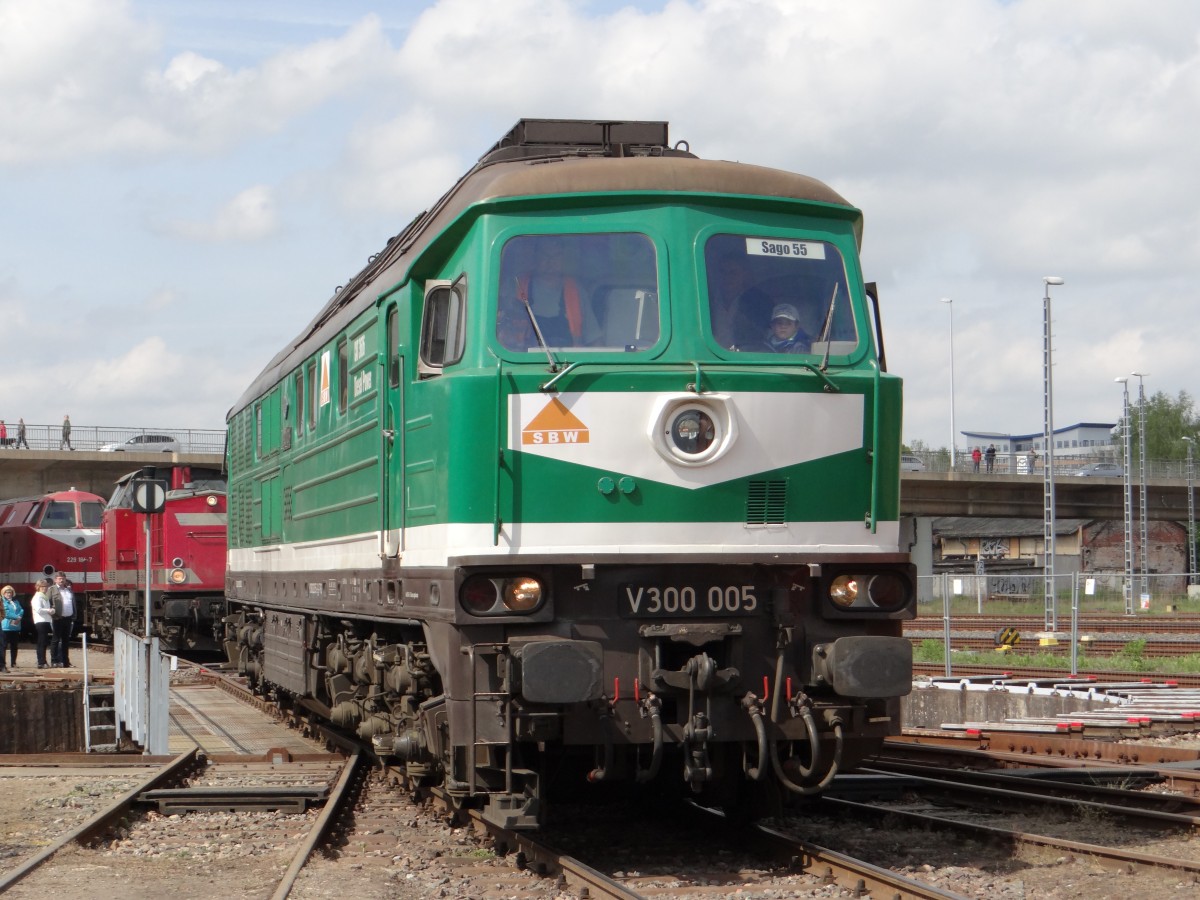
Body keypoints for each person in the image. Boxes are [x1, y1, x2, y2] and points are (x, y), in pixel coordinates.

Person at [710, 252, 773, 349]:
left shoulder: (759, 302)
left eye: (733, 273)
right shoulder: (709, 300)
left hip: (744, 358)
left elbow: (767, 335)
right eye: (723, 272)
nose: (727, 277)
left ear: (744, 274)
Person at [47, 571, 76, 667]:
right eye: (59, 578)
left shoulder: (68, 590)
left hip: (68, 618)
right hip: (58, 618)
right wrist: (53, 614)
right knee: (55, 639)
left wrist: (73, 615)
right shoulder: (52, 589)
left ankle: (65, 661)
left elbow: (72, 603)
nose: (61, 580)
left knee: (66, 640)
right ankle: (54, 661)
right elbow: (48, 602)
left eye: (63, 578)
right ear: (55, 580)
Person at [31, 579, 53, 670]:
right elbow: (38, 609)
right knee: (42, 641)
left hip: (46, 620)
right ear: (38, 587)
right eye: (42, 587)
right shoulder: (37, 597)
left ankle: (43, 661)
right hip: (40, 621)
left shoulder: (44, 597)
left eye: (46, 587)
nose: (44, 588)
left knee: (44, 642)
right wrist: (49, 610)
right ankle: (41, 661)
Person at [0, 585, 21, 672]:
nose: (9, 594)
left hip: (14, 627)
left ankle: (8, 663)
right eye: (7, 592)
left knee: (13, 645)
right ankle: (2, 664)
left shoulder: (15, 602)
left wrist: (19, 617)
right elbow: (6, 613)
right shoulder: (4, 601)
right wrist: (16, 617)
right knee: (3, 645)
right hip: (6, 626)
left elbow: (21, 610)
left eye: (10, 592)